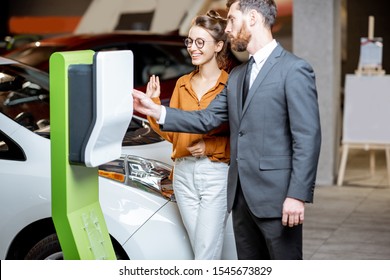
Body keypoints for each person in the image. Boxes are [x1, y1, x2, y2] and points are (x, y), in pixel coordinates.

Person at [133, 0, 321, 260]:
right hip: (241, 200)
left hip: (277, 199)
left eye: (232, 20)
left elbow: (307, 138)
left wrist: (297, 195)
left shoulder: (294, 69)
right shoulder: (238, 75)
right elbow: (206, 119)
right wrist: (156, 110)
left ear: (252, 18)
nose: (228, 29)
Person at [138, 10, 238, 260]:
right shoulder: (182, 84)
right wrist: (152, 106)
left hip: (215, 174)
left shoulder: (231, 86)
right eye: (190, 41)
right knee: (203, 250)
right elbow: (174, 135)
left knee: (205, 252)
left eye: (200, 42)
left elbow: (242, 136)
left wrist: (210, 147)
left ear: (218, 45)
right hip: (182, 175)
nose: (193, 48)